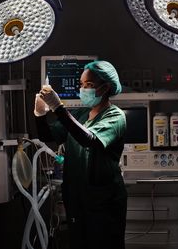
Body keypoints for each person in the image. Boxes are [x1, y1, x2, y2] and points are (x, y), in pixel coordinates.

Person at [34, 60, 127, 249]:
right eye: (82, 85)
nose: (83, 89)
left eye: (89, 85)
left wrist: (58, 108)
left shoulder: (115, 116)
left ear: (105, 87)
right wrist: (40, 114)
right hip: (77, 198)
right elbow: (47, 136)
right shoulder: (81, 114)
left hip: (103, 201)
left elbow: (89, 139)